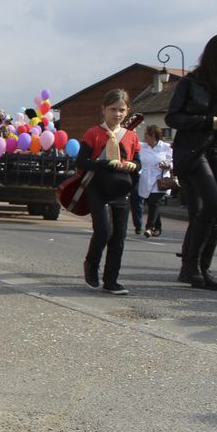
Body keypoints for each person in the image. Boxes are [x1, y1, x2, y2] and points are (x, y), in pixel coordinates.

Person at [165, 33, 217, 291]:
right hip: (193, 150)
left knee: (214, 211)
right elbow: (172, 118)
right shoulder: (191, 83)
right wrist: (207, 122)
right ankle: (191, 266)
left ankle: (199, 268)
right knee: (211, 203)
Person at [76, 89, 141, 295]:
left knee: (119, 237)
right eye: (113, 109)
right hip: (97, 189)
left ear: (127, 110)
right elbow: (81, 161)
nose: (117, 114)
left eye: (121, 110)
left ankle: (111, 280)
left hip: (120, 190)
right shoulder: (93, 133)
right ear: (104, 109)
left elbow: (138, 161)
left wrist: (132, 165)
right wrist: (104, 163)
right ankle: (91, 265)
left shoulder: (131, 136)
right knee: (104, 230)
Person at [137, 125, 173, 237]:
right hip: (145, 178)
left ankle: (149, 227)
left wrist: (167, 165)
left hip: (159, 179)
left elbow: (172, 162)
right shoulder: (142, 147)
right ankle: (158, 227)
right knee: (151, 203)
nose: (144, 136)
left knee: (154, 202)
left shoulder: (166, 147)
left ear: (153, 135)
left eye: (146, 134)